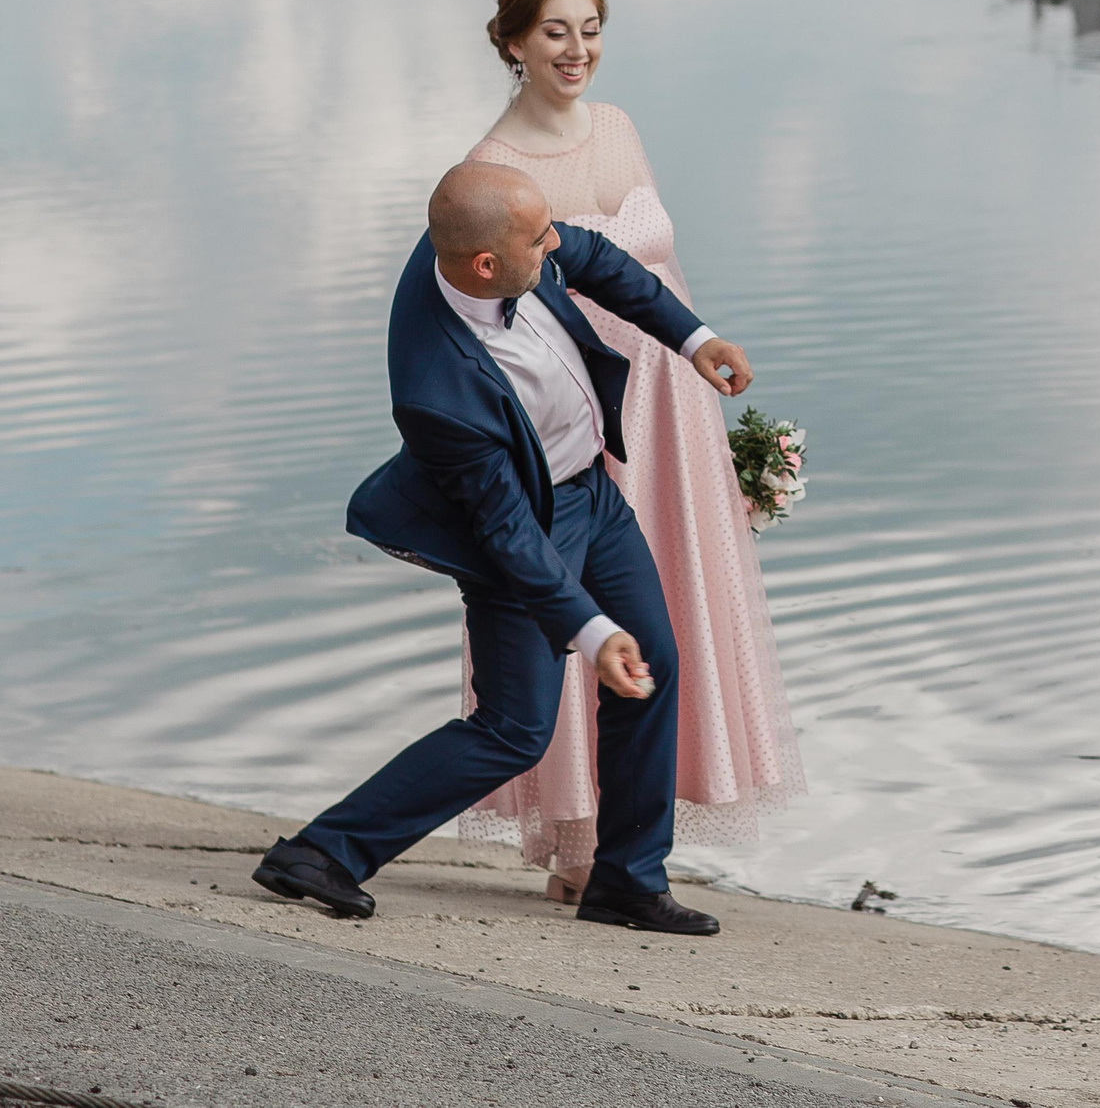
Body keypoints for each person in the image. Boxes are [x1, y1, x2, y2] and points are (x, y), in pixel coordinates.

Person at [251, 160, 753, 935]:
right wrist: (589, 631)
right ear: (485, 266)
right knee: (515, 727)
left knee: (652, 661)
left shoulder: (505, 242)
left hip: (592, 490)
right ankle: (323, 851)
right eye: (539, 237)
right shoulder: (435, 390)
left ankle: (626, 880)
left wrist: (695, 338)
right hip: (525, 525)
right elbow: (508, 533)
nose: (556, 242)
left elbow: (598, 260)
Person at [462, 0, 804, 902]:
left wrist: (699, 347)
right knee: (582, 610)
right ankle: (580, 843)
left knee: (677, 603)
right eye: (557, 32)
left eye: (592, 28)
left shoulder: (617, 128)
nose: (579, 50)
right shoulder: (490, 170)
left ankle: (636, 842)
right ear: (514, 43)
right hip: (584, 416)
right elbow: (496, 322)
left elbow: (656, 265)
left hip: (671, 400)